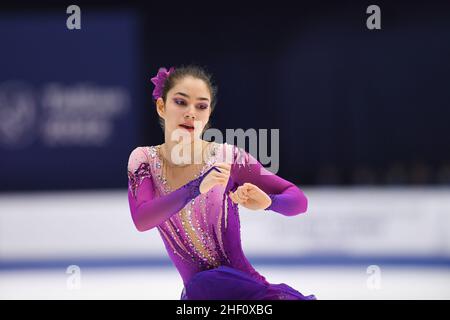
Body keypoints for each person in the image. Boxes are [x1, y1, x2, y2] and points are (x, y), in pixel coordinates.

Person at [127, 65, 316, 300]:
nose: (191, 113)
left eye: (201, 106)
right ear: (161, 106)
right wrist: (196, 187)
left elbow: (299, 201)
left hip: (247, 293)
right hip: (201, 294)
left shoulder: (228, 158)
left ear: (208, 116)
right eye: (181, 102)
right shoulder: (144, 159)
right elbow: (142, 219)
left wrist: (269, 202)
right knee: (204, 286)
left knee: (206, 285)